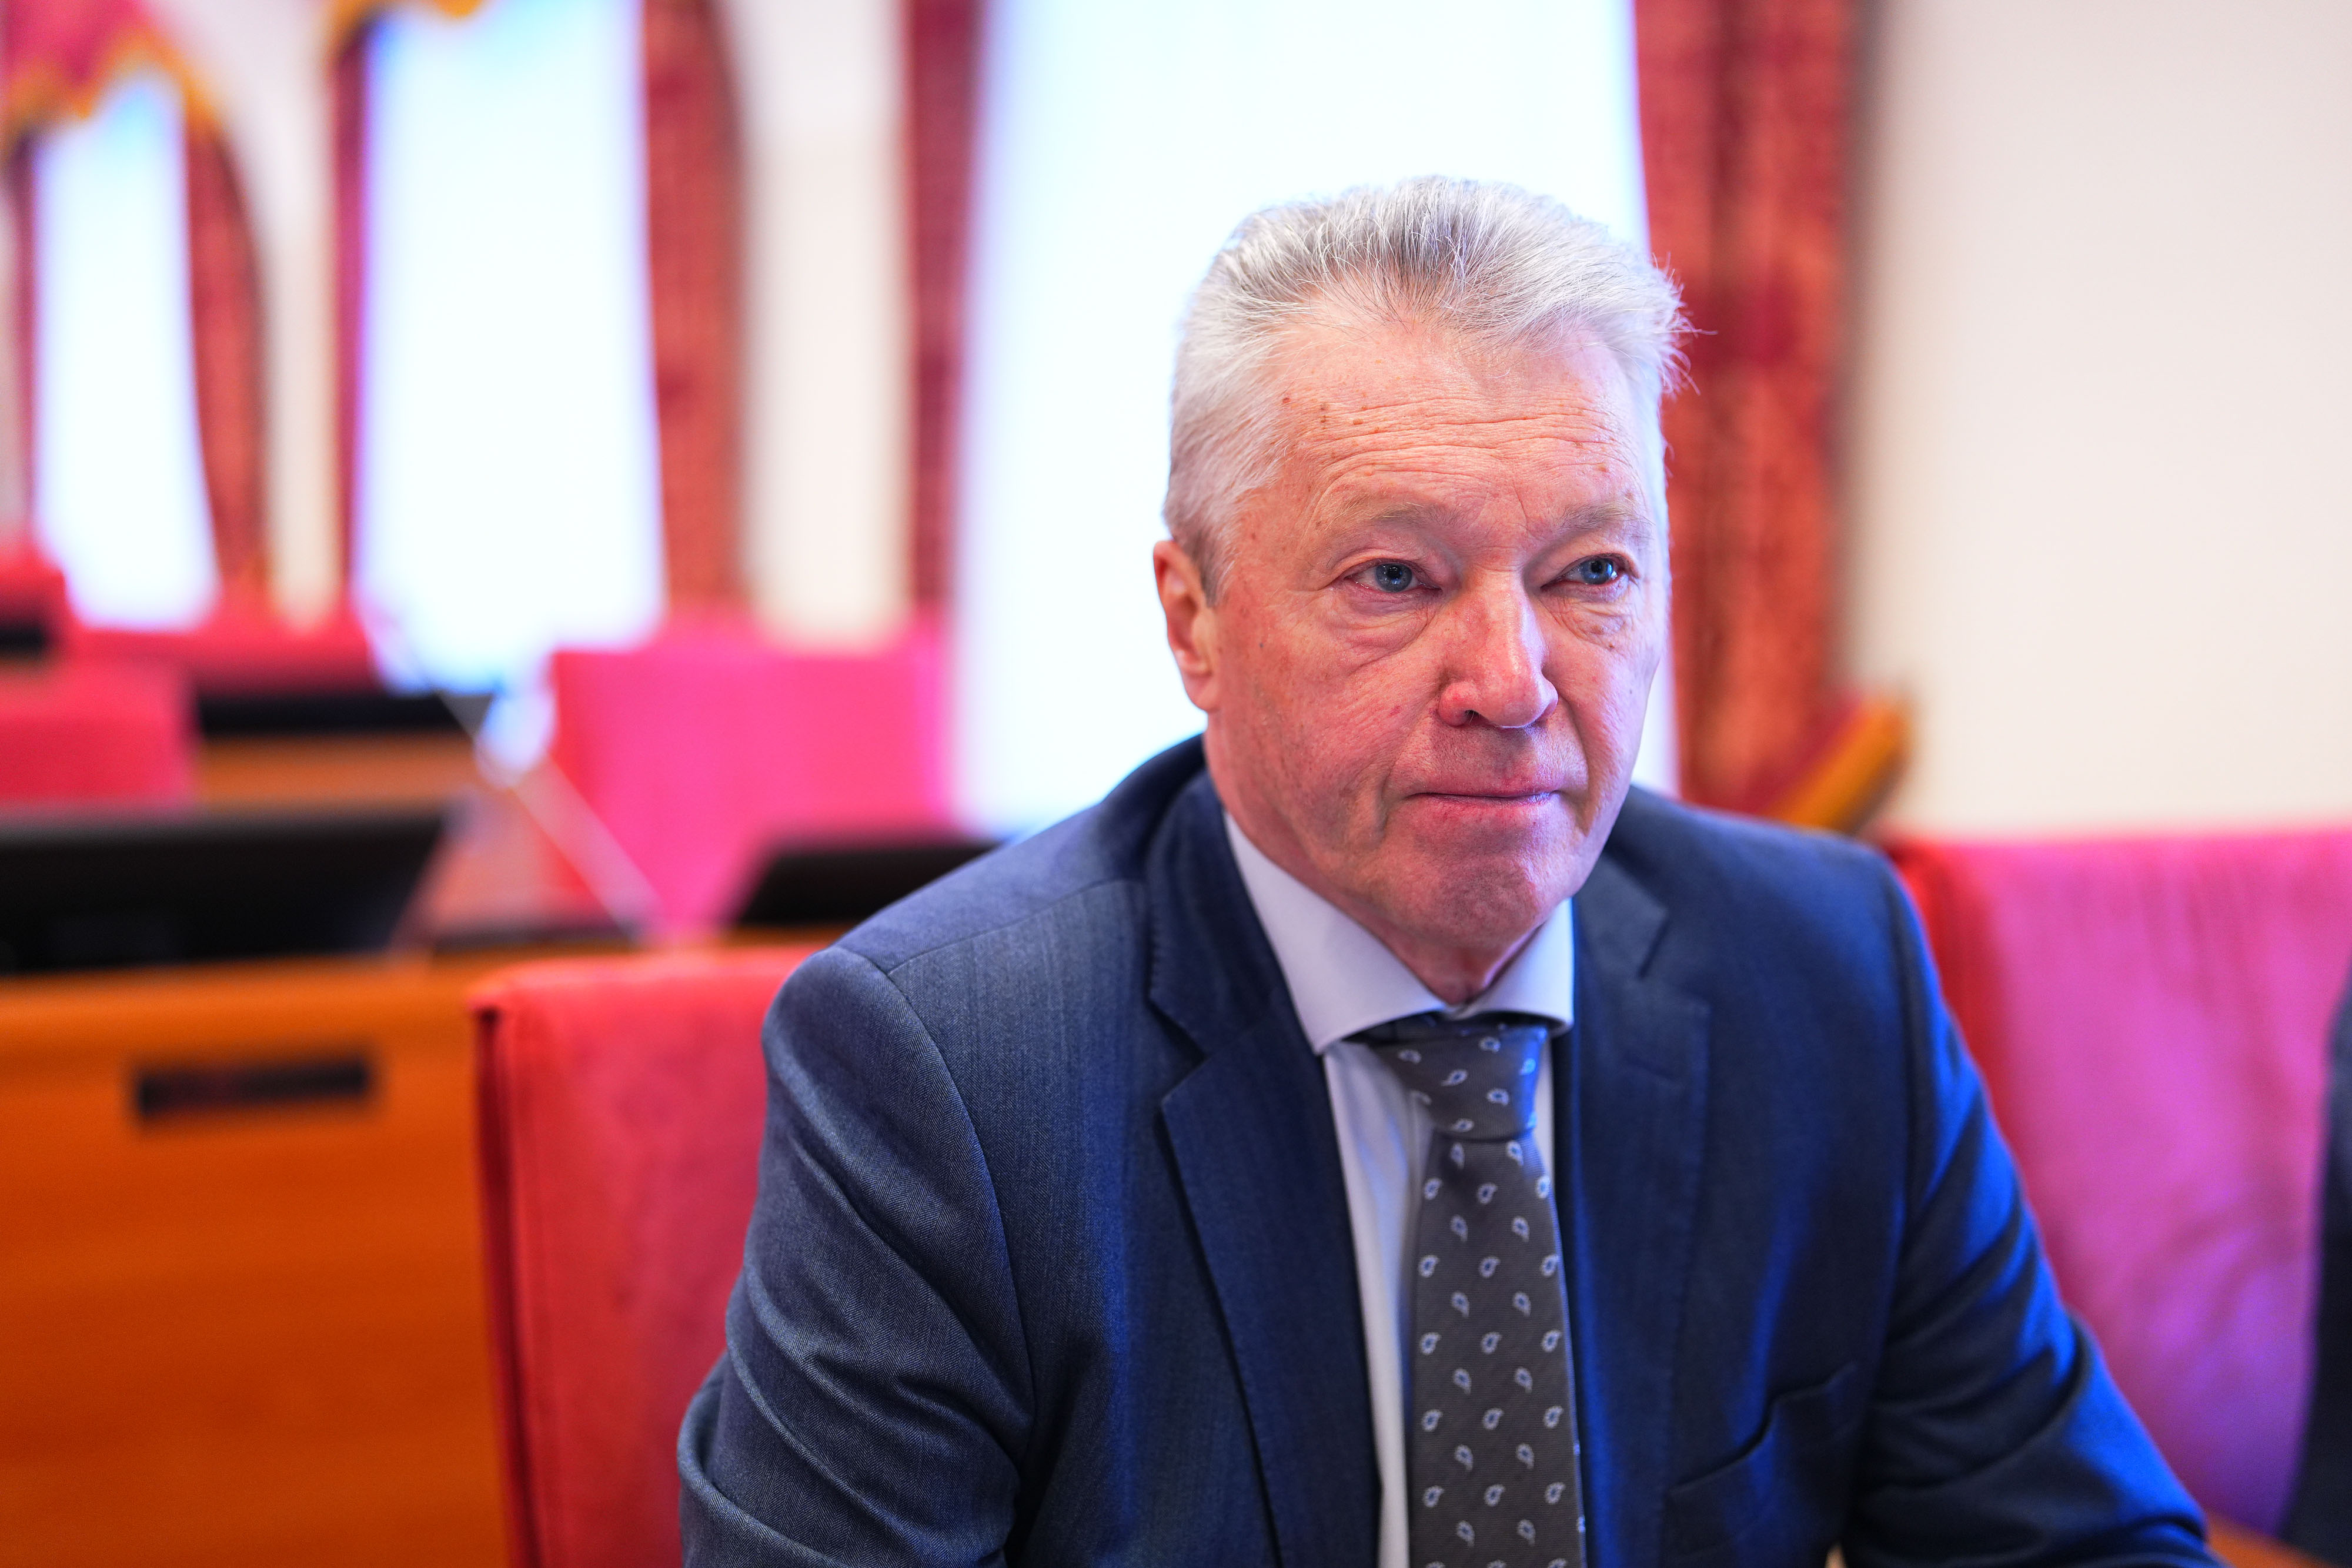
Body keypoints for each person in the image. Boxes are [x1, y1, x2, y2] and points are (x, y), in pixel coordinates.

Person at [680, 177, 2211, 1568]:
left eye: (1591, 571)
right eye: (1396, 578)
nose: (1513, 680)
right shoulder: (947, 1068)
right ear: (1194, 620)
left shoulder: (1823, 970)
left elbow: (2076, 1544)